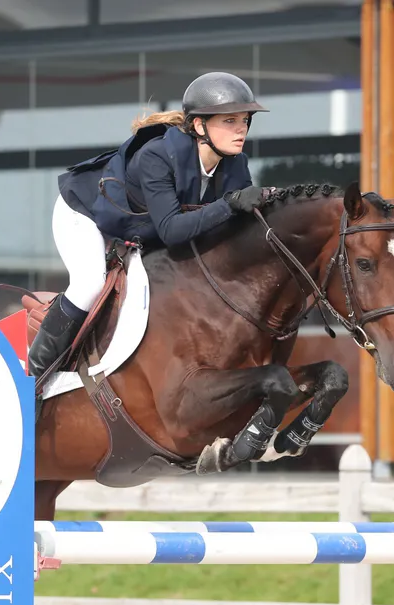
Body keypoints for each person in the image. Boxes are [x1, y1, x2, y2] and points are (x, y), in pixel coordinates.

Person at [28, 71, 271, 378]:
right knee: (90, 284)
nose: (242, 129)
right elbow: (172, 230)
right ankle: (32, 380)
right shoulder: (157, 156)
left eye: (245, 120)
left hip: (139, 230)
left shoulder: (236, 164)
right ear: (199, 125)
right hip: (83, 211)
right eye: (230, 121)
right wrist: (230, 204)